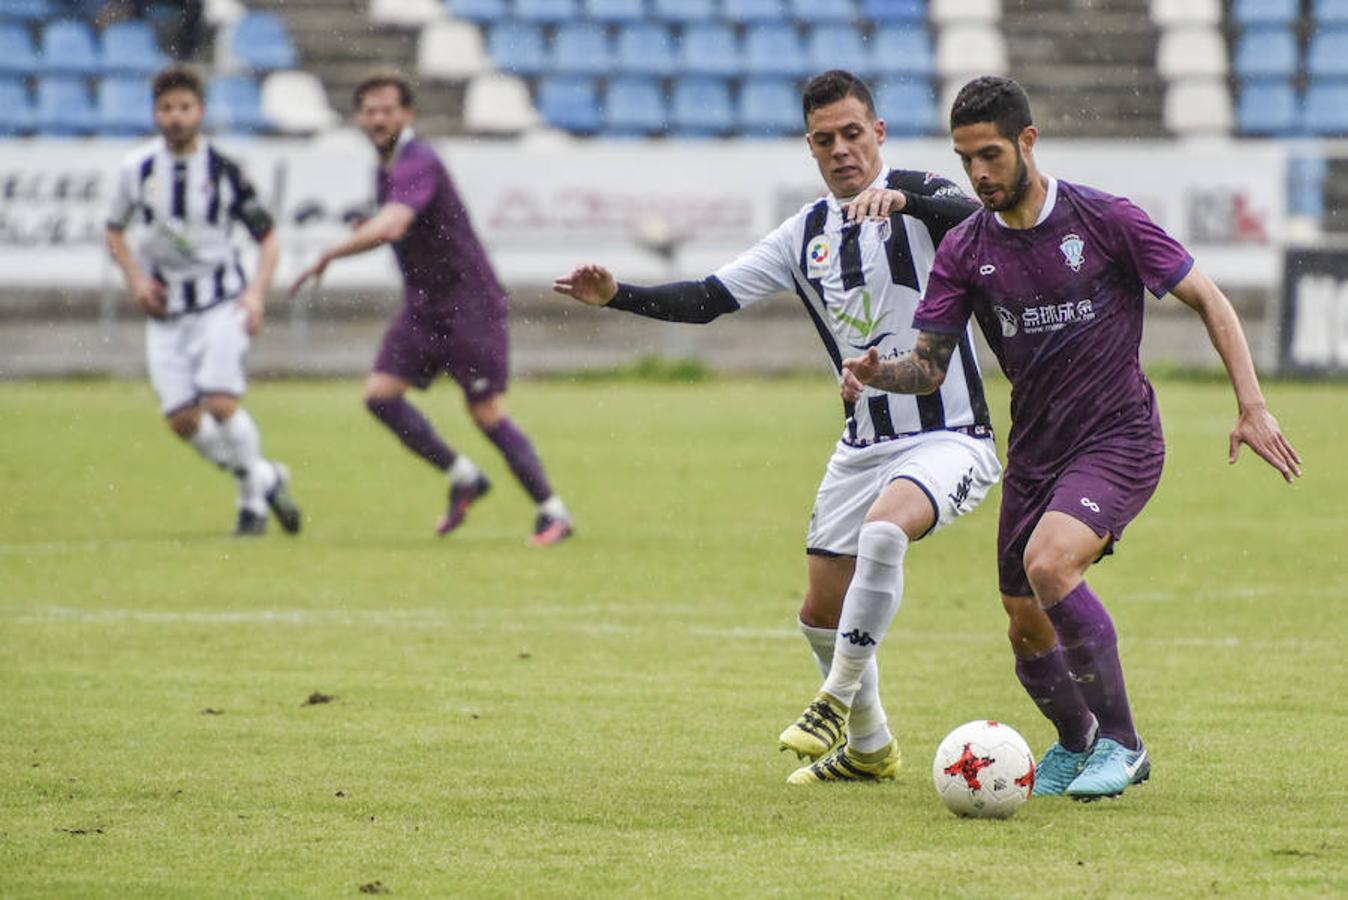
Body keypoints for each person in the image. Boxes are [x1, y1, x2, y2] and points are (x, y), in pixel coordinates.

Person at [841, 75, 1302, 800]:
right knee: (1024, 620)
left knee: (1051, 565)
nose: (980, 174)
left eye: (991, 154)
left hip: (1119, 436)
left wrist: (1251, 403)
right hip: (1037, 449)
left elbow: (1207, 296)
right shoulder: (965, 249)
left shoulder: (1104, 219)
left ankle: (1124, 744)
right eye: (966, 160)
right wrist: (878, 372)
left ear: (1028, 140)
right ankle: (1077, 740)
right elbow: (927, 369)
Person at [554, 70, 1002, 784]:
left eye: (853, 134)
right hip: (862, 449)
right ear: (810, 147)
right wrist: (617, 297)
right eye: (824, 140)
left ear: (878, 132)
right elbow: (708, 298)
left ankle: (832, 700)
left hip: (950, 436)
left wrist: (907, 198)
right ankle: (869, 747)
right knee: (818, 612)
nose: (841, 150)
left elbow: (974, 218)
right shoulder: (806, 236)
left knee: (885, 532)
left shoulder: (924, 197)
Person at [289, 72, 571, 546]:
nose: (377, 119)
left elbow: (394, 225)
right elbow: (395, 220)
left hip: (467, 304)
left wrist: (331, 253)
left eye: (387, 109)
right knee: (380, 395)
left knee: (485, 411)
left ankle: (553, 511)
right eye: (369, 110)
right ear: (359, 118)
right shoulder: (386, 167)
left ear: (408, 114)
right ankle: (464, 476)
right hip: (424, 304)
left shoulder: (419, 158)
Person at [106, 64, 301, 537]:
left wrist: (255, 296)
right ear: (155, 113)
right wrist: (136, 280)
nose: (175, 117)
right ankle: (264, 475)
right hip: (166, 312)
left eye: (184, 107)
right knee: (181, 421)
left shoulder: (225, 171)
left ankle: (251, 505)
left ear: (201, 111)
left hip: (221, 303)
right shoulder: (136, 170)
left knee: (219, 400)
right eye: (166, 108)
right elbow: (114, 230)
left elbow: (268, 238)